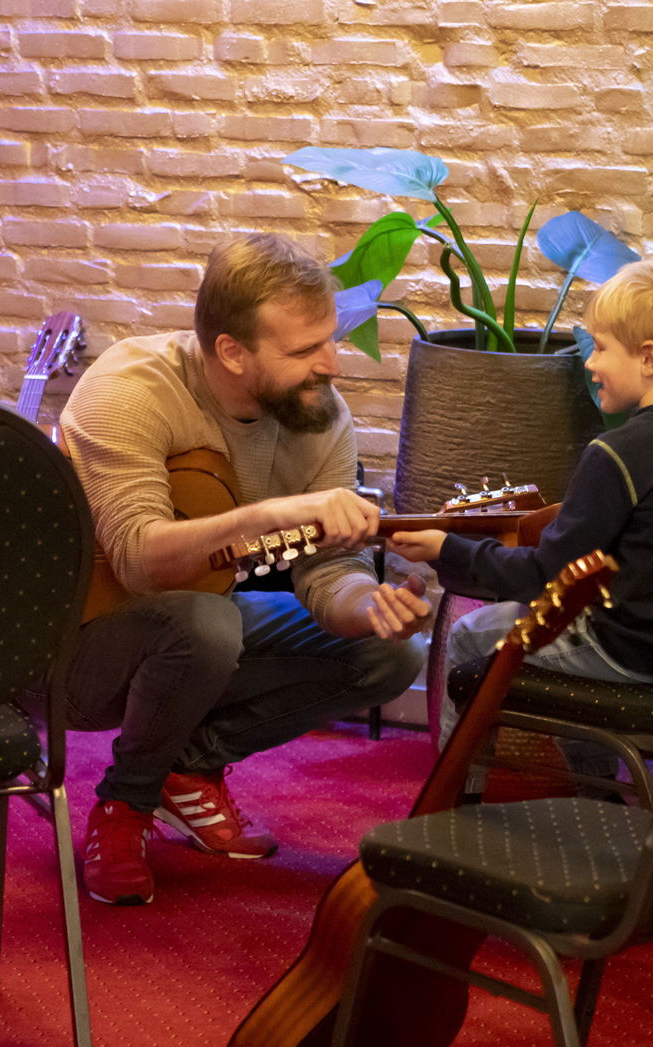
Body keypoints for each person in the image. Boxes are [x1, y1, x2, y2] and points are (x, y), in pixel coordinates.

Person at [57, 233, 426, 906]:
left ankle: (187, 769)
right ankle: (125, 804)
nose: (332, 363)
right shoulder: (129, 388)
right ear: (231, 351)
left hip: (201, 619)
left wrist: (365, 603)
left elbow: (326, 571)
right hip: (73, 645)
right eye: (304, 349)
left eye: (330, 338)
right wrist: (272, 516)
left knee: (391, 654)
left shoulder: (319, 415)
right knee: (207, 622)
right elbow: (140, 561)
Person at [389, 256, 653, 764]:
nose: (590, 362)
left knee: (471, 635)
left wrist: (451, 549)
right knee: (577, 620)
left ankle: (453, 799)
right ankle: (594, 793)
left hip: (628, 654)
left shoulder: (618, 452)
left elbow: (546, 578)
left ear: (650, 358)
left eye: (601, 348)